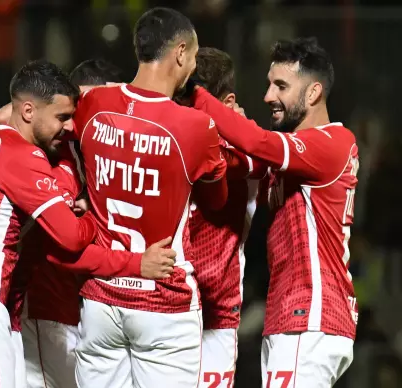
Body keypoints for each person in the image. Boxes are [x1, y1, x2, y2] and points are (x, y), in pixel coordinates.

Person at [0, 59, 177, 388]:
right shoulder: (28, 157)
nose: (71, 125)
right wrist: (92, 213)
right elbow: (70, 240)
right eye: (63, 117)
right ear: (29, 111)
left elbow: (7, 114)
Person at [71, 7, 228, 388]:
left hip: (101, 299)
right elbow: (218, 201)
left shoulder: (93, 106)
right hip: (163, 302)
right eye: (192, 56)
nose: (192, 67)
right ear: (179, 52)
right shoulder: (195, 127)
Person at [190, 37, 358, 387]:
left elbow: (257, 142)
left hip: (311, 312)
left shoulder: (332, 143)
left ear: (313, 93)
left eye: (281, 85)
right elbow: (241, 159)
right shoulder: (292, 159)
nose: (268, 96)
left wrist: (194, 93)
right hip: (292, 316)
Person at [13, 59, 124, 388]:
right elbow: (5, 114)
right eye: (84, 106)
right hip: (45, 307)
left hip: (89, 311)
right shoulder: (53, 152)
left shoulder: (117, 154)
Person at [179, 47, 268, 388]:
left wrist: (233, 128)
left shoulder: (250, 150)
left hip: (216, 311)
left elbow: (253, 160)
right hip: (164, 304)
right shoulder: (166, 136)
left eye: (193, 104)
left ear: (225, 103)